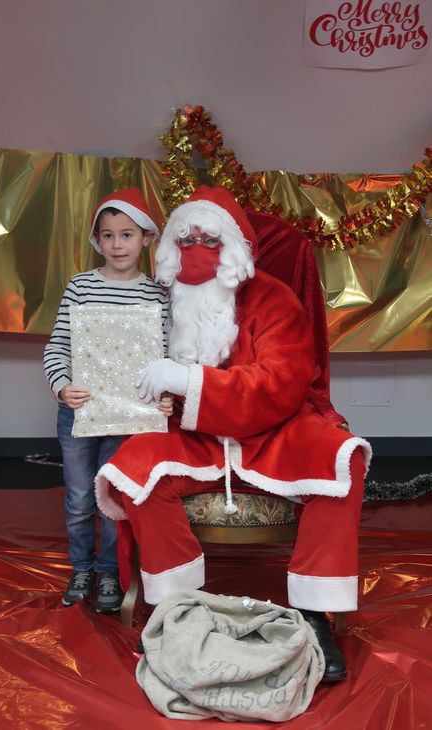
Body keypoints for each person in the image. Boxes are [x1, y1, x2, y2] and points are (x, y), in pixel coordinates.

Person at [94, 185, 372, 680]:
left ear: (235, 251)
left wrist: (189, 380)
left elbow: (283, 384)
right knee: (133, 468)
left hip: (274, 433)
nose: (196, 250)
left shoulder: (273, 297)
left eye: (210, 239)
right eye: (186, 239)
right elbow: (119, 366)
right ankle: (173, 608)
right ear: (170, 248)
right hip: (193, 436)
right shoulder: (158, 301)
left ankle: (314, 613)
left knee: (340, 458)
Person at [44, 187, 171, 613]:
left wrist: (166, 398)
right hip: (80, 412)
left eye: (127, 235)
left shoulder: (156, 297)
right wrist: (63, 386)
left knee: (113, 499)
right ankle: (81, 567)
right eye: (109, 235)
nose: (118, 244)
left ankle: (110, 571)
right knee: (80, 497)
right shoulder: (80, 287)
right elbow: (57, 347)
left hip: (129, 417)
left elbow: (166, 358)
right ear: (98, 240)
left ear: (147, 238)